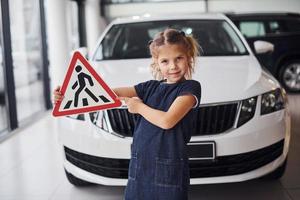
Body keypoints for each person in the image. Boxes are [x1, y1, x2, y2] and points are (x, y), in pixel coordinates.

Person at [53, 28, 201, 200]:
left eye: (179, 58)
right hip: (140, 164)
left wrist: (138, 107)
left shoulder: (190, 88)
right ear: (156, 63)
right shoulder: (149, 87)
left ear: (188, 57)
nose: (173, 66)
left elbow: (167, 121)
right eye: (165, 61)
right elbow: (106, 93)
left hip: (169, 167)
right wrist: (65, 96)